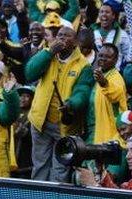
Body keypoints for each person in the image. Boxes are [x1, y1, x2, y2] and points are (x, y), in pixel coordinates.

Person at [25, 26, 93, 182]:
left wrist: (71, 104)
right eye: (59, 35)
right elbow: (30, 73)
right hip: (40, 121)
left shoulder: (83, 65)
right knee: (40, 165)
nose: (62, 38)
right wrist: (49, 52)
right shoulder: (47, 54)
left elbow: (82, 92)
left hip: (64, 126)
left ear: (75, 42)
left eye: (67, 36)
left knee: (60, 169)